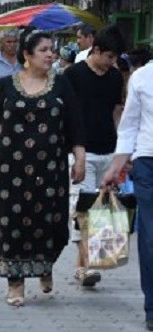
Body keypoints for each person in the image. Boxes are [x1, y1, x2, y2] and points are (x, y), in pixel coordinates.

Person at [0, 30, 86, 307]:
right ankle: (15, 283)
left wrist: (79, 159)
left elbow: (75, 125)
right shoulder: (6, 85)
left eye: (51, 50)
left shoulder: (62, 85)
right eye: (43, 50)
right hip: (10, 171)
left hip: (50, 171)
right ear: (27, 55)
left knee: (51, 223)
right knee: (11, 223)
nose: (50, 55)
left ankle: (44, 266)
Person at [64, 25, 125, 287]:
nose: (111, 63)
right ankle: (86, 266)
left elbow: (117, 112)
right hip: (80, 152)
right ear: (95, 50)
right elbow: (65, 114)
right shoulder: (73, 75)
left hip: (108, 151)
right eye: (109, 57)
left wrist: (122, 150)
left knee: (102, 211)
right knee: (83, 207)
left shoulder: (114, 78)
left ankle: (83, 266)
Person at [101, 60, 153, 332]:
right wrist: (115, 166)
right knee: (150, 236)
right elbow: (130, 124)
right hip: (148, 163)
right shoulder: (142, 78)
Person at [0, 29, 21, 102]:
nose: (12, 45)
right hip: (3, 106)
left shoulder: (23, 60)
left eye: (15, 41)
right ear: (1, 43)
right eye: (8, 42)